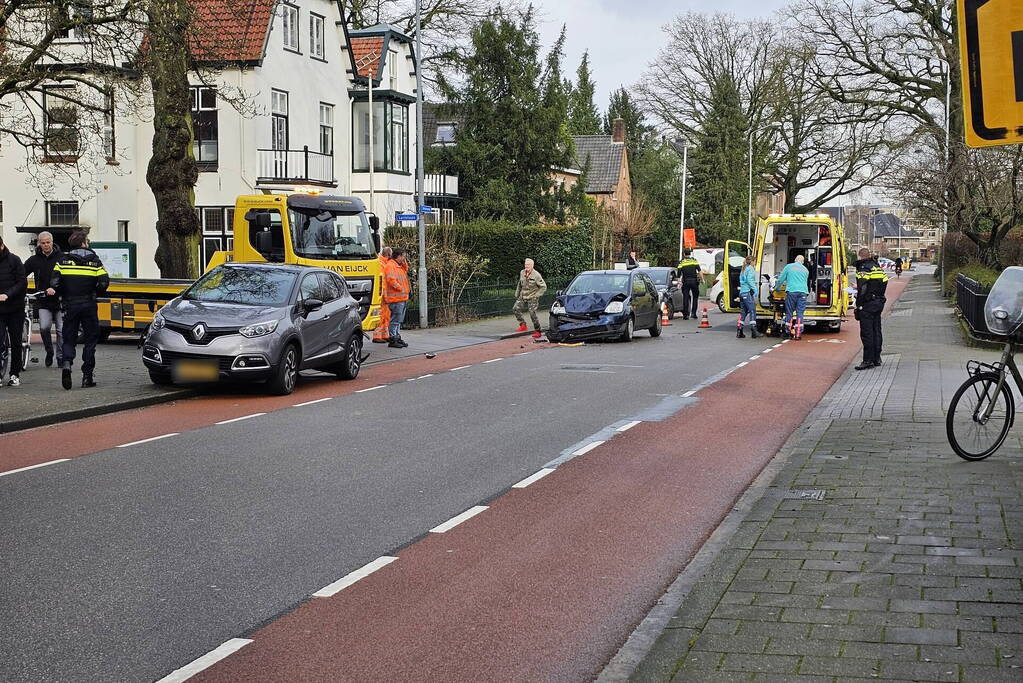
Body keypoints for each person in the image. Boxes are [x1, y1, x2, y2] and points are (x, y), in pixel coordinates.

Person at [49, 230, 108, 389]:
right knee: (90, 340)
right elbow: (104, 283)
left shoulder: (62, 261)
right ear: (84, 243)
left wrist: (62, 293)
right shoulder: (95, 262)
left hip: (70, 305)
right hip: (89, 304)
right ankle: (87, 377)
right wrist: (95, 293)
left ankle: (67, 363)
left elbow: (54, 283)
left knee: (68, 338)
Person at [24, 231, 63, 367]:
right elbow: (21, 273)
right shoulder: (34, 260)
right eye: (43, 243)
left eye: (48, 242)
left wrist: (57, 289)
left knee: (60, 330)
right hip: (43, 301)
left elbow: (68, 277)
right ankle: (49, 351)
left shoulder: (62, 258)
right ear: (39, 243)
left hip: (60, 299)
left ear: (52, 242)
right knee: (44, 328)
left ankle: (60, 357)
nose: (46, 245)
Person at [854, 247, 889, 371]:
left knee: (867, 333)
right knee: (876, 330)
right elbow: (884, 282)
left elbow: (862, 287)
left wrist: (858, 304)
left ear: (860, 256)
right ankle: (876, 358)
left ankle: (867, 360)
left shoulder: (864, 268)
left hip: (868, 304)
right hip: (878, 302)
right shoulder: (877, 267)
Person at [0, 233, 28, 386]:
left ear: (2, 246)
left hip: (15, 309)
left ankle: (14, 374)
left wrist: (7, 294)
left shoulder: (14, 260)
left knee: (16, 342)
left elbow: (22, 283)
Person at [774, 254, 810, 340]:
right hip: (803, 293)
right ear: (802, 262)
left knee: (789, 312)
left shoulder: (789, 267)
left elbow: (781, 279)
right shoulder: (805, 270)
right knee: (800, 313)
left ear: (795, 260)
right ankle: (798, 334)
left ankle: (788, 332)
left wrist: (776, 288)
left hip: (792, 292)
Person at [383, 247, 411, 349]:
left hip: (401, 298)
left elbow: (406, 269)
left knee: (398, 320)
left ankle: (397, 337)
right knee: (395, 320)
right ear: (398, 256)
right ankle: (393, 338)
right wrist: (401, 288)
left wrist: (404, 262)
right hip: (396, 299)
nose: (404, 258)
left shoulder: (398, 266)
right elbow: (391, 280)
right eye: (403, 256)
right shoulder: (390, 266)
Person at [513, 258, 547, 339]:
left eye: (528, 265)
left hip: (532, 296)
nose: (526, 266)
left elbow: (543, 287)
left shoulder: (536, 275)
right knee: (515, 308)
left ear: (532, 265)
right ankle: (523, 325)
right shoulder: (522, 272)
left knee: (532, 313)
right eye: (525, 264)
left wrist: (537, 295)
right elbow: (519, 284)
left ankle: (538, 331)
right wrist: (517, 293)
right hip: (523, 295)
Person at [372, 246, 393, 344]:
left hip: (386, 294)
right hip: (382, 295)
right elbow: (382, 281)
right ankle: (377, 336)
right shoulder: (381, 263)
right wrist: (384, 294)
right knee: (380, 315)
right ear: (388, 254)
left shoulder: (385, 263)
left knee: (386, 315)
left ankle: (385, 335)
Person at [737, 255, 759, 339]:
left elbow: (742, 280)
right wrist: (755, 289)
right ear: (752, 261)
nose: (755, 263)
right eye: (755, 261)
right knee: (752, 310)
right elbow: (750, 280)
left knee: (743, 312)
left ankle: (739, 330)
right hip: (747, 293)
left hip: (742, 293)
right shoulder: (751, 269)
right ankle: (754, 330)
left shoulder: (743, 269)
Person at [676, 249, 702, 320]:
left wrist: (679, 282)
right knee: (695, 297)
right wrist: (702, 280)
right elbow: (699, 271)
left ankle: (686, 315)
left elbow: (678, 273)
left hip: (686, 282)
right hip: (694, 282)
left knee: (685, 298)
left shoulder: (681, 262)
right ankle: (693, 313)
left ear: (684, 254)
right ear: (690, 254)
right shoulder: (694, 260)